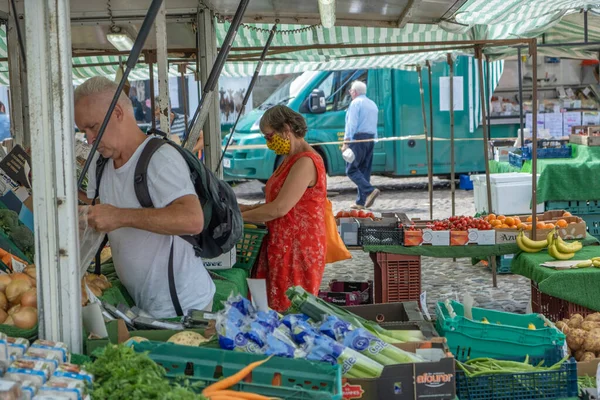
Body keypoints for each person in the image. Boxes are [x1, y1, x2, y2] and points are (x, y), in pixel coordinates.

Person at [74, 76, 215, 318]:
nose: (88, 139)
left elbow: (192, 220)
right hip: (143, 302)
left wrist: (119, 216)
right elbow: (104, 207)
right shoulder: (101, 162)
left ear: (117, 112)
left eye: (93, 127)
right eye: (83, 131)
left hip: (183, 306)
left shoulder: (160, 159)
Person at [241, 105, 327, 312]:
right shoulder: (289, 159)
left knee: (289, 310)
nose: (268, 142)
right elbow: (273, 203)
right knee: (272, 307)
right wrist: (243, 208)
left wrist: (237, 217)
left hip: (297, 248)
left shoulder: (306, 161)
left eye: (269, 136)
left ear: (286, 129)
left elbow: (278, 209)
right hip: (280, 243)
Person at [342, 80, 380, 210]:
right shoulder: (372, 104)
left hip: (358, 138)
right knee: (364, 170)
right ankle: (360, 202)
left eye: (351, 91)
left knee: (351, 169)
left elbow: (351, 124)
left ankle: (369, 191)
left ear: (355, 92)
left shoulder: (355, 103)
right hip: (370, 139)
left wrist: (346, 142)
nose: (350, 93)